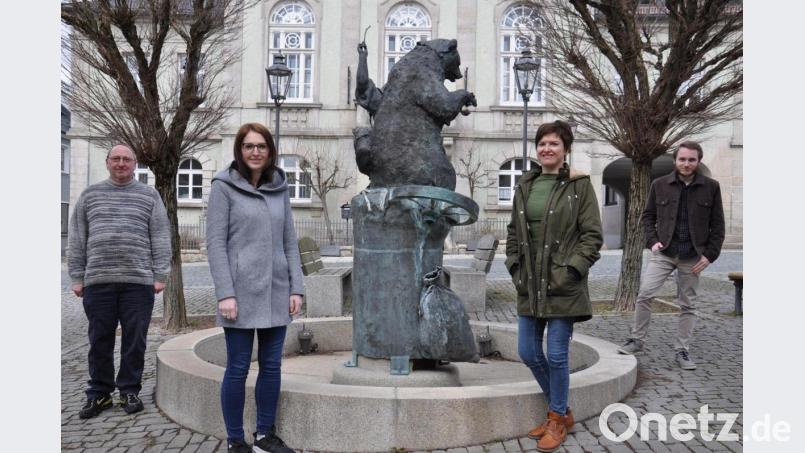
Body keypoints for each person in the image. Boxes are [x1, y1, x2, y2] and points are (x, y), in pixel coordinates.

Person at [505, 121, 603, 452]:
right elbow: (514, 232)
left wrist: (571, 271)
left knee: (557, 355)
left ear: (565, 149)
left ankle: (557, 418)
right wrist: (514, 266)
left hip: (563, 283)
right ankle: (561, 412)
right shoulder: (525, 185)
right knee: (528, 351)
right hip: (529, 283)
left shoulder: (579, 185)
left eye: (554, 144)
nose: (547, 148)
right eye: (543, 143)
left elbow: (592, 235)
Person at [206, 123, 303, 453]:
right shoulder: (223, 187)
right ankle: (236, 439)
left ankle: (264, 435)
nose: (255, 152)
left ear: (270, 151)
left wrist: (296, 288)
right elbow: (216, 244)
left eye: (261, 146)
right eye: (249, 146)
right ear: (240, 150)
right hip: (239, 294)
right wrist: (225, 293)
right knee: (237, 368)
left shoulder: (280, 188)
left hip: (277, 291)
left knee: (272, 366)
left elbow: (290, 241)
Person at [68, 144, 171, 419]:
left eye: (127, 159)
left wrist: (160, 274)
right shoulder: (90, 195)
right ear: (107, 162)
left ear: (135, 163)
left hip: (138, 282)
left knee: (135, 340)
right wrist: (77, 276)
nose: (121, 163)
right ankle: (99, 393)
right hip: (97, 281)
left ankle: (129, 390)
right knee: (99, 340)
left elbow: (161, 236)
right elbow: (77, 237)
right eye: (116, 158)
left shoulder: (149, 196)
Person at [617, 141, 725, 370]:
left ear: (699, 161)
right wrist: (652, 242)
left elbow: (718, 226)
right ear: (675, 160)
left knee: (688, 304)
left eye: (692, 160)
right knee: (645, 295)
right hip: (664, 253)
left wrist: (709, 255)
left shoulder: (711, 187)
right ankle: (637, 340)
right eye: (682, 159)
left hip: (693, 256)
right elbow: (648, 217)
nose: (686, 164)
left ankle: (682, 350)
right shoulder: (660, 184)